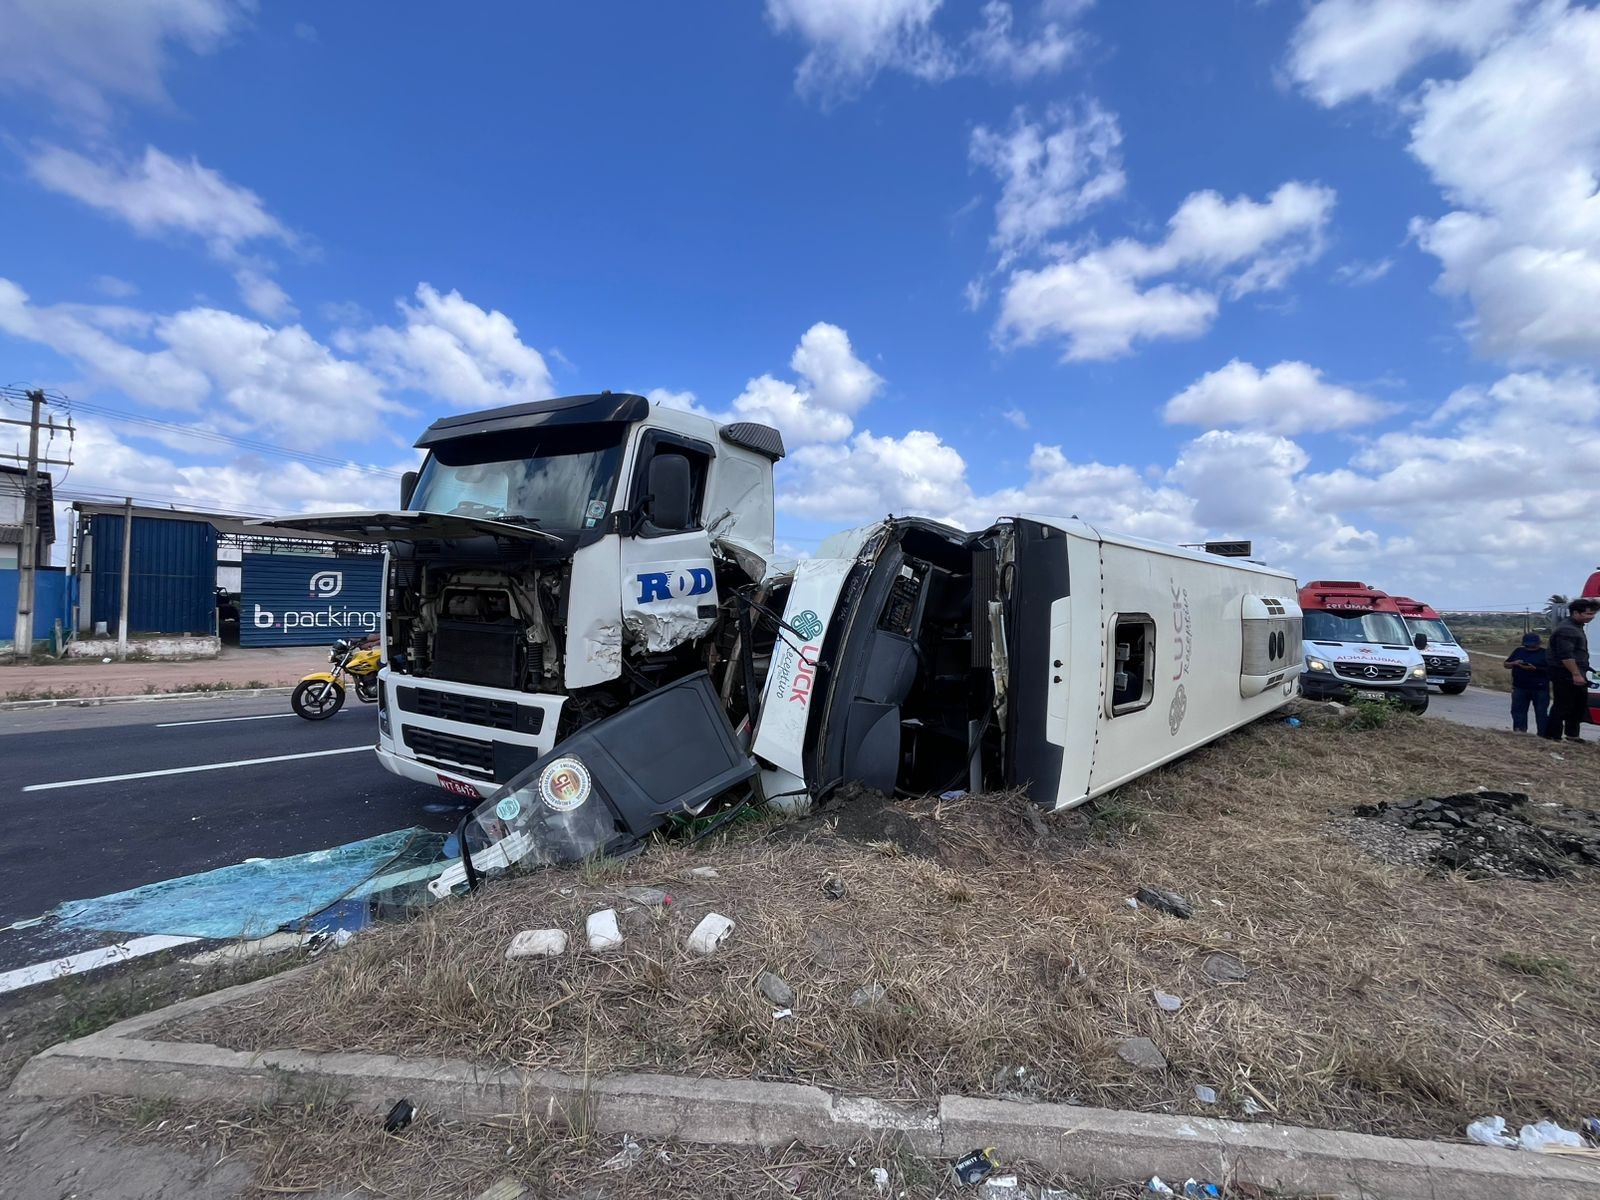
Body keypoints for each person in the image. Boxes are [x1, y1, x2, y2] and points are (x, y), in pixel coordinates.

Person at [1543, 597, 1598, 742]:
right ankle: (1552, 736)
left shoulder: (1577, 627)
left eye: (1593, 614)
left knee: (1577, 706)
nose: (1591, 617)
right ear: (1575, 613)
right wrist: (1576, 674)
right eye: (1588, 614)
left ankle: (1572, 735)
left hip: (1577, 671)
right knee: (1562, 706)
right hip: (1565, 674)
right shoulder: (1567, 629)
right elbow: (1566, 656)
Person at [1503, 633, 1550, 735]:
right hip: (1519, 687)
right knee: (1518, 711)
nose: (1530, 648)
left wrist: (1535, 668)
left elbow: (1551, 670)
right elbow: (1506, 664)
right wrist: (1514, 663)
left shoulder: (1545, 653)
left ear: (1539, 644)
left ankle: (1543, 735)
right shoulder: (1519, 651)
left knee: (1541, 713)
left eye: (1533, 645)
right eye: (1527, 645)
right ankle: (1520, 732)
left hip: (1540, 688)